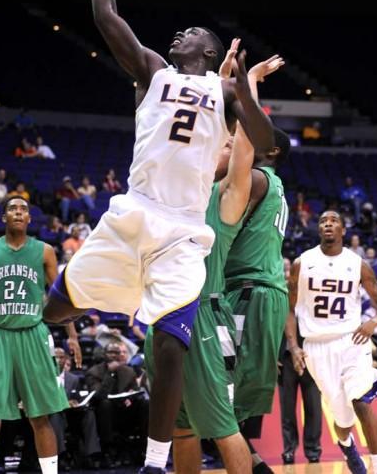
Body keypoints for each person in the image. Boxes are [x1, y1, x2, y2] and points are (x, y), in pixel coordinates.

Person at [44, 0, 274, 474]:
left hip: (180, 230)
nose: (179, 34)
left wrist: (243, 89)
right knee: (53, 311)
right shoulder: (153, 71)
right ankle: (123, 294)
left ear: (208, 49)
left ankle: (153, 462)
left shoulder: (223, 92)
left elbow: (269, 143)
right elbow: (105, 16)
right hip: (132, 215)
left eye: (191, 32)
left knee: (171, 339)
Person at [145, 51, 284, 474]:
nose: (219, 145)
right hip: (160, 312)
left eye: (225, 144)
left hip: (202, 311)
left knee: (222, 425)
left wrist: (247, 83)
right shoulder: (182, 187)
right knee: (182, 428)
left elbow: (243, 145)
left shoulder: (227, 197)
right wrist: (214, 81)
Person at [0, 196, 82, 474]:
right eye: (12, 208)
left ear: (29, 219)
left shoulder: (45, 251)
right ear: (3, 217)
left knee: (40, 416)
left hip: (33, 334)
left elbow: (60, 297)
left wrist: (71, 334)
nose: (18, 212)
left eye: (23, 209)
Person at [286, 210, 377, 474]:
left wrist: (372, 323)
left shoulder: (357, 264)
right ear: (319, 229)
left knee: (361, 400)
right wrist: (293, 345)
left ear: (343, 230)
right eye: (323, 221)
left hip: (351, 341)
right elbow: (287, 308)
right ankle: (346, 444)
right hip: (316, 347)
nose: (328, 224)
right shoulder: (303, 262)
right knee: (342, 420)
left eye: (334, 221)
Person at [224, 71, 291, 473]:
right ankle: (253, 461)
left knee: (221, 387)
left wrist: (244, 89)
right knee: (225, 386)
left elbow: (230, 172)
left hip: (252, 291)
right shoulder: (275, 186)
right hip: (257, 291)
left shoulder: (263, 180)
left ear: (273, 151)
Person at [278, 263, 321, 465]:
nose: (289, 275)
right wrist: (273, 356)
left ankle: (313, 450)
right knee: (287, 409)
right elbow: (270, 329)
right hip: (285, 359)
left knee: (313, 407)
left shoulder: (311, 300)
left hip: (310, 357)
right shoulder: (277, 297)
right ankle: (288, 450)